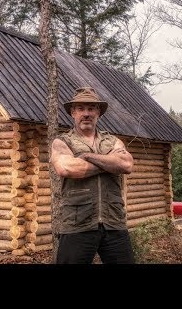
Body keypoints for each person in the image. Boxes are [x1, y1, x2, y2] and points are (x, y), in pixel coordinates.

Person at [50, 87, 135, 264]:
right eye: (81, 108)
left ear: (98, 112)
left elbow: (126, 164)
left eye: (91, 108)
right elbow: (67, 168)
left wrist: (88, 156)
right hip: (77, 223)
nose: (86, 113)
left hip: (114, 222)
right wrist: (111, 163)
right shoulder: (62, 142)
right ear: (73, 112)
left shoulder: (112, 141)